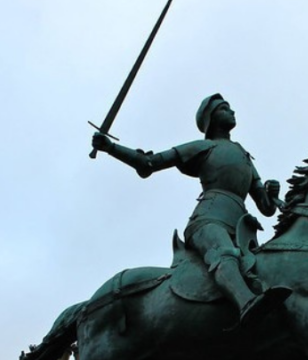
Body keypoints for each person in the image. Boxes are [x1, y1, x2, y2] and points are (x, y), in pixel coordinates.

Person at [91, 93, 291, 326]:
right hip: (208, 221)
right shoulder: (202, 147)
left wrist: (272, 195)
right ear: (211, 118)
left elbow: (266, 208)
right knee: (224, 253)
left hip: (242, 229)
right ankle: (247, 303)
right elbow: (148, 163)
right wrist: (110, 147)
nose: (233, 112)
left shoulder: (244, 156)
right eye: (225, 109)